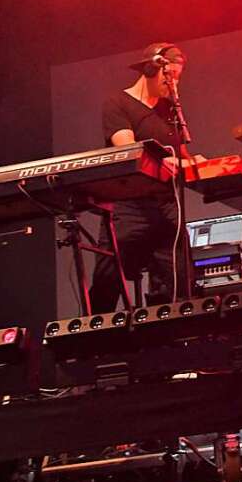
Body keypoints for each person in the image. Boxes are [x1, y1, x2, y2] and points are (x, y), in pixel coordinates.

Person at [89, 42, 194, 312]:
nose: (172, 84)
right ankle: (95, 344)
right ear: (150, 68)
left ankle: (173, 339)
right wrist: (165, 161)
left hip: (166, 207)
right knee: (107, 280)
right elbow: (127, 151)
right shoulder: (118, 104)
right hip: (129, 207)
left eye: (177, 78)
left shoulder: (170, 110)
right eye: (169, 76)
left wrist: (196, 163)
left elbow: (182, 156)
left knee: (181, 279)